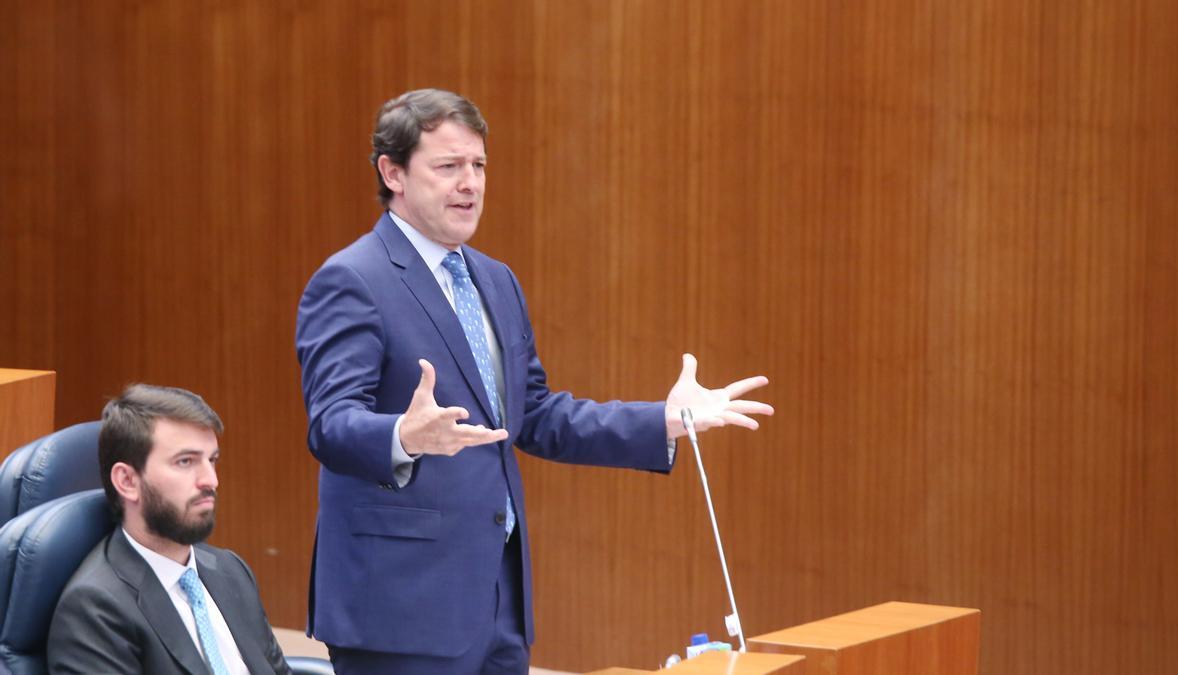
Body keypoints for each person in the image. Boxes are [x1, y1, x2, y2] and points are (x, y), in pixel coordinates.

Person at [295, 88, 773, 674]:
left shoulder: (496, 281)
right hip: (401, 604)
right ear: (392, 172)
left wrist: (663, 421)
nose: (469, 183)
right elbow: (332, 425)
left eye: (478, 165)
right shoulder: (352, 279)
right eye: (448, 167)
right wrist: (404, 435)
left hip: (497, 601)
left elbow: (537, 416)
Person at [48, 384, 291, 675]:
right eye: (185, 461)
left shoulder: (231, 570)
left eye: (212, 460)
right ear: (127, 481)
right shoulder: (95, 610)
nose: (210, 480)